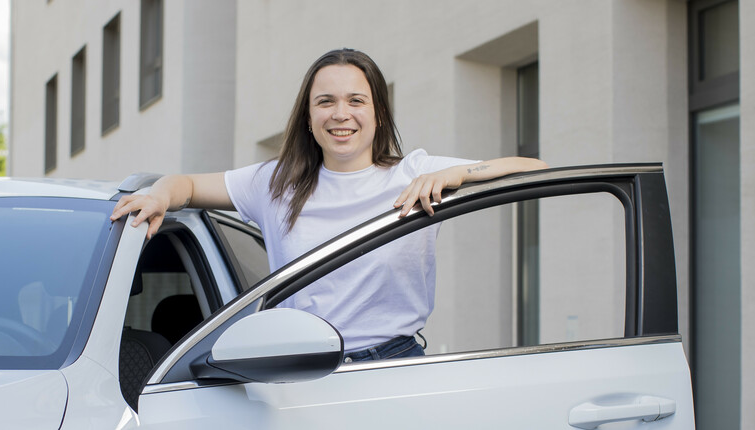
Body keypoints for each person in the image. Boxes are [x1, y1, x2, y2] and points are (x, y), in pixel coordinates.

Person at [110, 48, 547, 362]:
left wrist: (454, 175)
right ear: (309, 117)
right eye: (326, 102)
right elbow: (185, 184)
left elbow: (534, 169)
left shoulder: (413, 172)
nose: (341, 114)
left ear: (378, 114)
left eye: (356, 101)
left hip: (394, 366)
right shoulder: (274, 182)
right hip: (298, 369)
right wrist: (159, 195)